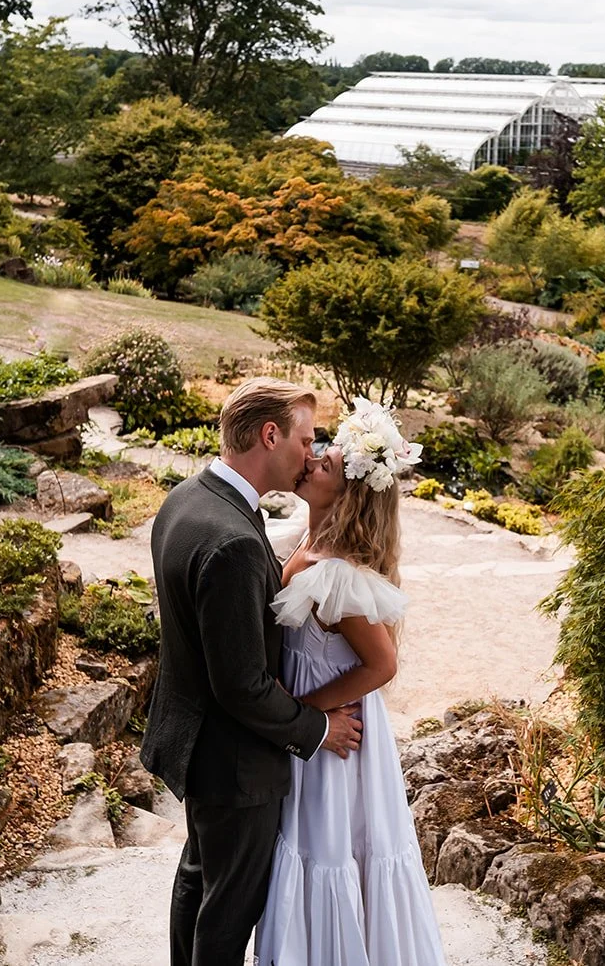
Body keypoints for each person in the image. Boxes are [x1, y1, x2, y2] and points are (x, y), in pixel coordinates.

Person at [141, 377, 365, 966]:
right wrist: (318, 729)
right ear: (271, 435)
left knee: (199, 877)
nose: (311, 453)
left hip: (194, 739)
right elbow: (241, 684)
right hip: (234, 761)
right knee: (231, 908)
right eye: (305, 438)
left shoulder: (187, 497)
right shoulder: (234, 540)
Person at [255, 398, 446, 966]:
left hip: (336, 745)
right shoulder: (306, 544)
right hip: (313, 738)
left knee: (332, 846)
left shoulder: (338, 574)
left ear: (348, 493)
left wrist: (305, 714)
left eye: (327, 465)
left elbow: (382, 665)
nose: (311, 461)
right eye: (317, 453)